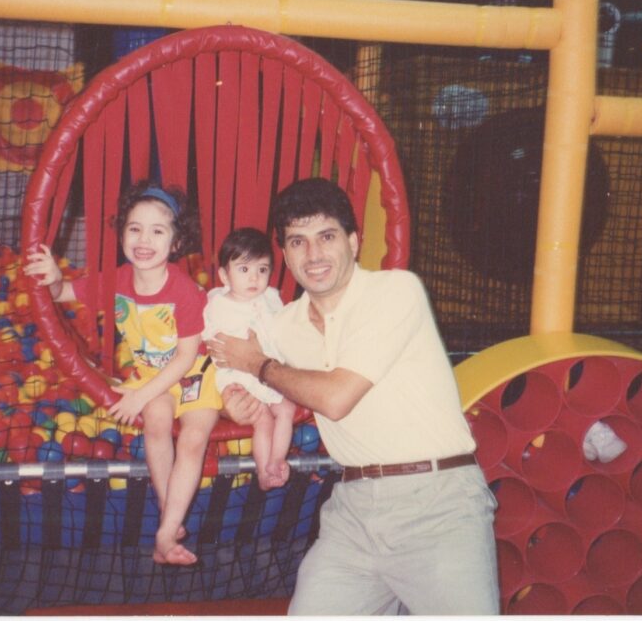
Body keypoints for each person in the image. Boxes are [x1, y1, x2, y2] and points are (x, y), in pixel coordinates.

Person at [206, 178, 499, 615]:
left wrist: (259, 366)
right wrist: (231, 395)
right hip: (354, 511)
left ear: (354, 241)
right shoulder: (282, 326)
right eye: (298, 242)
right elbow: (225, 357)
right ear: (285, 255)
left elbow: (336, 397)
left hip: (438, 503)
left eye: (326, 237)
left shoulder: (395, 291)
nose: (313, 255)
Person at [23, 181, 221, 567]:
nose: (144, 239)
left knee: (194, 439)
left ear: (176, 244)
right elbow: (64, 293)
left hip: (196, 373)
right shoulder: (115, 282)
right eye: (135, 228)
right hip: (152, 375)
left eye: (157, 231)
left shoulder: (184, 291)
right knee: (157, 422)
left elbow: (184, 358)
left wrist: (140, 395)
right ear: (122, 234)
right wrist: (54, 274)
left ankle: (165, 530)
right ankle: (170, 519)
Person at [202, 228, 297, 490]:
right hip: (237, 376)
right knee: (263, 418)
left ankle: (276, 461)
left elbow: (282, 329)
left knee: (286, 410)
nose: (254, 278)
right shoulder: (218, 303)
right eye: (244, 269)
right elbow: (209, 339)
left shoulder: (271, 298)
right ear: (224, 275)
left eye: (262, 269)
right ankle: (264, 472)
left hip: (268, 372)